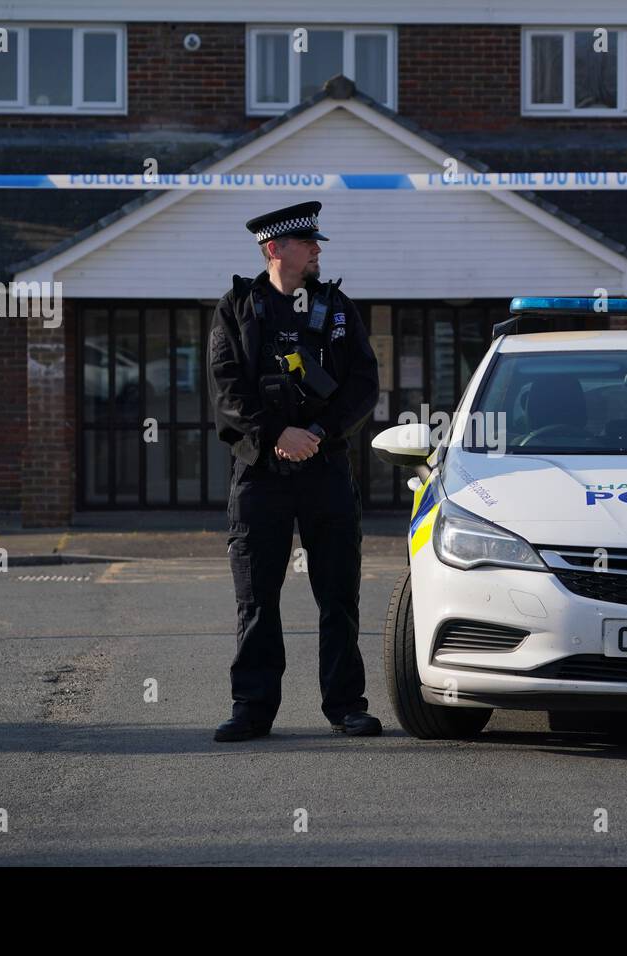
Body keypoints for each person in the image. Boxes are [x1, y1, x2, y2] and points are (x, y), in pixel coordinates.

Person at [206, 201, 382, 740]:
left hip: (324, 467)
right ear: (274, 249)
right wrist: (274, 435)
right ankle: (252, 709)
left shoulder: (338, 309)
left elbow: (363, 386)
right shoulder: (237, 309)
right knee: (257, 597)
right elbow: (226, 390)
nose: (317, 251)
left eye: (316, 244)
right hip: (260, 473)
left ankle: (346, 705)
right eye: (308, 245)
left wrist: (320, 435)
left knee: (338, 594)